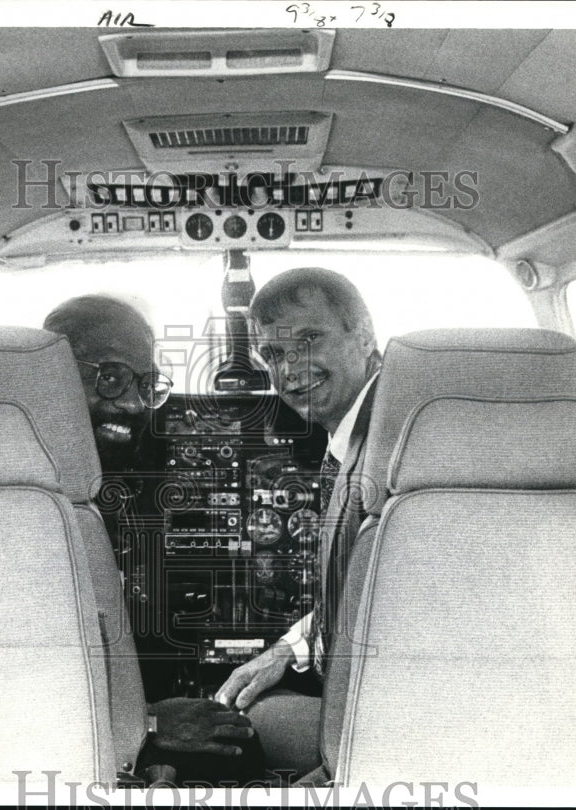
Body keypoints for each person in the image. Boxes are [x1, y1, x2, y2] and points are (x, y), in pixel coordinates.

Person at [43, 294, 261, 781]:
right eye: (111, 377)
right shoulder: (10, 514)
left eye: (146, 385)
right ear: (49, 373)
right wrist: (147, 723)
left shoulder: (95, 494)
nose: (136, 405)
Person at [214, 268, 381, 780]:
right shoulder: (367, 434)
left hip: (400, 709)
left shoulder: (391, 449)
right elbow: (366, 589)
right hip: (381, 683)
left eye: (309, 340)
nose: (291, 370)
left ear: (365, 334)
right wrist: (291, 649)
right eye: (275, 354)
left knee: (242, 723)